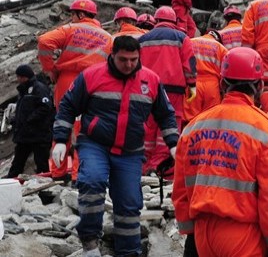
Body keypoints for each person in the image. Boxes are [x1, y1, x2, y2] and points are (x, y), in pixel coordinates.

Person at [52, 36, 178, 257]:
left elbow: (166, 115)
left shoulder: (151, 80)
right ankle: (90, 243)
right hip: (95, 144)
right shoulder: (92, 76)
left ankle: (128, 251)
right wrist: (61, 139)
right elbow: (68, 106)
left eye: (133, 60)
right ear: (112, 55)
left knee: (129, 203)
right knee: (92, 182)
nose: (129, 65)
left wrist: (173, 144)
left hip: (130, 151)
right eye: (123, 60)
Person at [173, 47, 268, 257]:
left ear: (222, 84)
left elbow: (181, 190)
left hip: (202, 237)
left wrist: (191, 236)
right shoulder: (265, 130)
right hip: (241, 238)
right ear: (259, 86)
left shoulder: (193, 127)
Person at [37, 0, 112, 183]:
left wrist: (50, 68)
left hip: (67, 80)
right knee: (85, 129)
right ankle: (79, 174)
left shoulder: (70, 29)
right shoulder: (107, 37)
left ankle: (58, 173)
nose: (71, 18)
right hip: (93, 83)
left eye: (72, 14)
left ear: (80, 14)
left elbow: (44, 42)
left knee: (63, 122)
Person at [139, 6, 196, 174]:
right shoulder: (181, 38)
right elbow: (189, 64)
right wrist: (192, 84)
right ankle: (160, 164)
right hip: (174, 89)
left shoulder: (143, 39)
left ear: (156, 21)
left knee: (149, 124)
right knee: (170, 123)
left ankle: (145, 164)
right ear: (174, 21)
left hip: (147, 88)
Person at [5, 65, 54, 178]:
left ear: (24, 77)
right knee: (17, 164)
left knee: (42, 165)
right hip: (25, 135)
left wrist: (29, 120)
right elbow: (24, 108)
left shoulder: (39, 88)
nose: (17, 79)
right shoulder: (23, 90)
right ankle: (9, 186)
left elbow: (45, 107)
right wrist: (16, 119)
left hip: (39, 135)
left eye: (19, 76)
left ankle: (46, 191)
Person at [182, 30, 227, 125]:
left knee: (189, 120)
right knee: (211, 120)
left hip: (193, 84)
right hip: (212, 87)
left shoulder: (190, 42)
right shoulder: (220, 48)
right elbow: (225, 72)